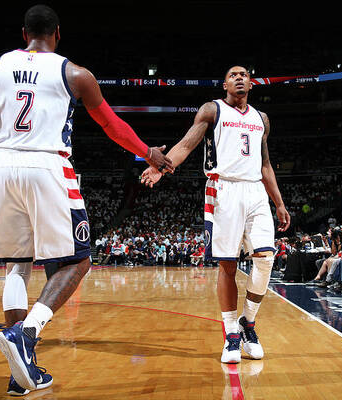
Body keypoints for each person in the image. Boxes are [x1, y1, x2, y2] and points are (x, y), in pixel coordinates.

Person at [0, 5, 173, 395]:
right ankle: (26, 336)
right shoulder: (75, 73)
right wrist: (146, 152)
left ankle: (22, 369)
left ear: (23, 34)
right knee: (79, 259)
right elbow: (111, 126)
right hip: (46, 163)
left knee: (17, 266)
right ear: (58, 34)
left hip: (2, 166)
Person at [141, 65, 290, 363]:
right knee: (228, 266)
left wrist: (279, 202)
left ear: (251, 83)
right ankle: (231, 333)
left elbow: (265, 165)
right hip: (223, 190)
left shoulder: (262, 119)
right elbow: (186, 144)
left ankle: (248, 322)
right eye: (233, 75)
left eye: (244, 75)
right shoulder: (212, 110)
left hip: (255, 191)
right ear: (224, 84)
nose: (239, 78)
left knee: (266, 258)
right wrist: (161, 168)